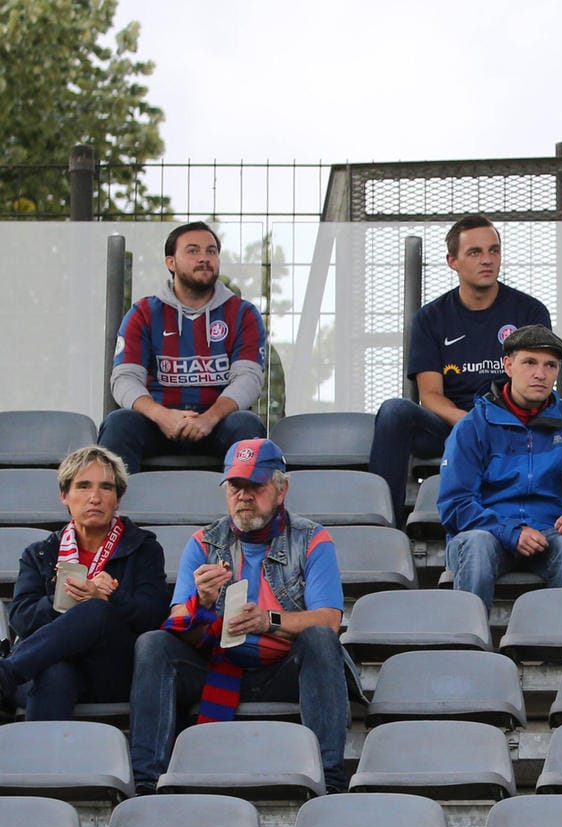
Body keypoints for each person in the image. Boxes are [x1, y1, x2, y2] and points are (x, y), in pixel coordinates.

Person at [127, 439, 353, 795]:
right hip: (218, 664)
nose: (244, 496)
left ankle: (330, 780)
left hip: (284, 669)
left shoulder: (312, 538)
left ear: (281, 490)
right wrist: (200, 602)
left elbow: (328, 621)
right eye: (236, 486)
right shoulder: (203, 542)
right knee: (153, 644)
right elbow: (178, 625)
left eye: (255, 486)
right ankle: (146, 782)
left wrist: (269, 621)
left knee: (321, 641)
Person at [369, 214, 561, 527]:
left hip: (511, 424)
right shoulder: (430, 318)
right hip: (453, 426)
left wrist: (494, 420)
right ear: (452, 261)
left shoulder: (529, 311)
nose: (487, 260)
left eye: (494, 251)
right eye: (475, 252)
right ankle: (382, 525)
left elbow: (537, 383)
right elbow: (429, 395)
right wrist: (467, 421)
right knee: (394, 412)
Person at [437, 324, 562, 610]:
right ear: (508, 365)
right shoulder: (472, 425)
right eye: (529, 362)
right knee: (477, 544)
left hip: (549, 532)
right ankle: (470, 644)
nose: (540, 374)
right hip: (488, 533)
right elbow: (456, 504)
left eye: (550, 365)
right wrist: (511, 531)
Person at [0, 447, 167, 719]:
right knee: (55, 673)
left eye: (106, 488)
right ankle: (42, 762)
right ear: (64, 496)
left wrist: (111, 598)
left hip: (111, 671)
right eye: (83, 486)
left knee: (97, 609)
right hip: (46, 668)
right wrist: (61, 601)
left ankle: (5, 673)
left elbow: (155, 617)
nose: (95, 498)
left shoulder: (143, 548)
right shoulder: (40, 553)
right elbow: (20, 617)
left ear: (118, 499)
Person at [98, 221, 267, 474]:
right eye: (193, 251)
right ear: (171, 263)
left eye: (211, 251)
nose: (204, 258)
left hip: (218, 422)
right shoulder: (143, 313)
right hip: (158, 422)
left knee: (247, 424)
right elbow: (124, 379)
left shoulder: (243, 313)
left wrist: (209, 418)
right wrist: (162, 415)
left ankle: (244, 513)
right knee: (118, 423)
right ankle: (117, 513)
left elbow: (249, 379)